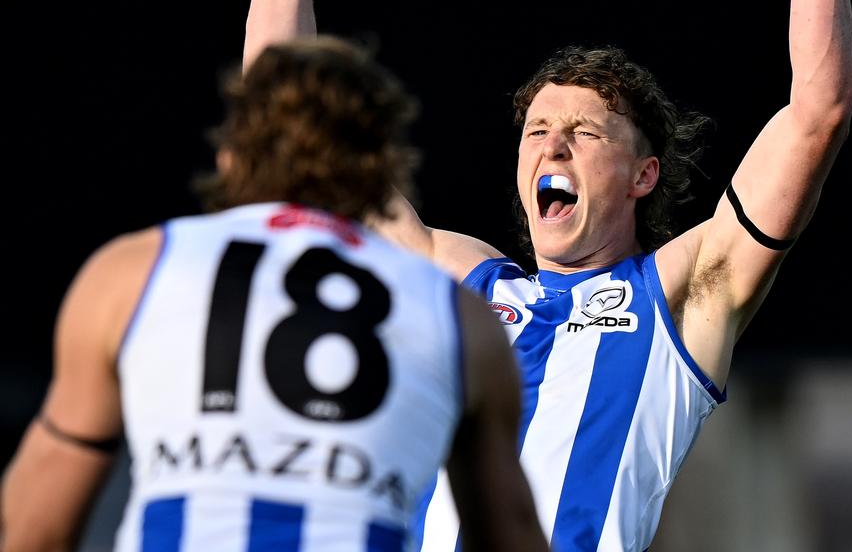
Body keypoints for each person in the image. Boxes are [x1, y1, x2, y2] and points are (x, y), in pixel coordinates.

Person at [243, 0, 852, 552]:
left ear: (642, 175)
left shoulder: (682, 296)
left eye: (583, 132)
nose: (551, 146)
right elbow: (290, 138)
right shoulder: (460, 282)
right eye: (537, 130)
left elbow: (817, 112)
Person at [0, 37, 547, 552]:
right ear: (383, 167)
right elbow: (510, 535)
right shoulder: (458, 316)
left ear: (230, 155)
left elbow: (34, 526)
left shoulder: (133, 271)